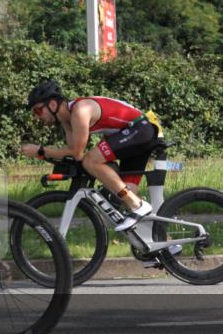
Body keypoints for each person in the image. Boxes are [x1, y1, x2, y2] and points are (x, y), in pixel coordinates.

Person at [21, 80, 160, 231]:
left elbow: (77, 152)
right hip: (134, 132)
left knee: (91, 161)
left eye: (38, 111)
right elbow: (75, 155)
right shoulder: (66, 121)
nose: (37, 117)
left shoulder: (80, 111)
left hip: (141, 128)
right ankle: (159, 238)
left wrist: (40, 150)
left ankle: (137, 205)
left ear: (52, 104)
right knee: (126, 195)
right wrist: (44, 154)